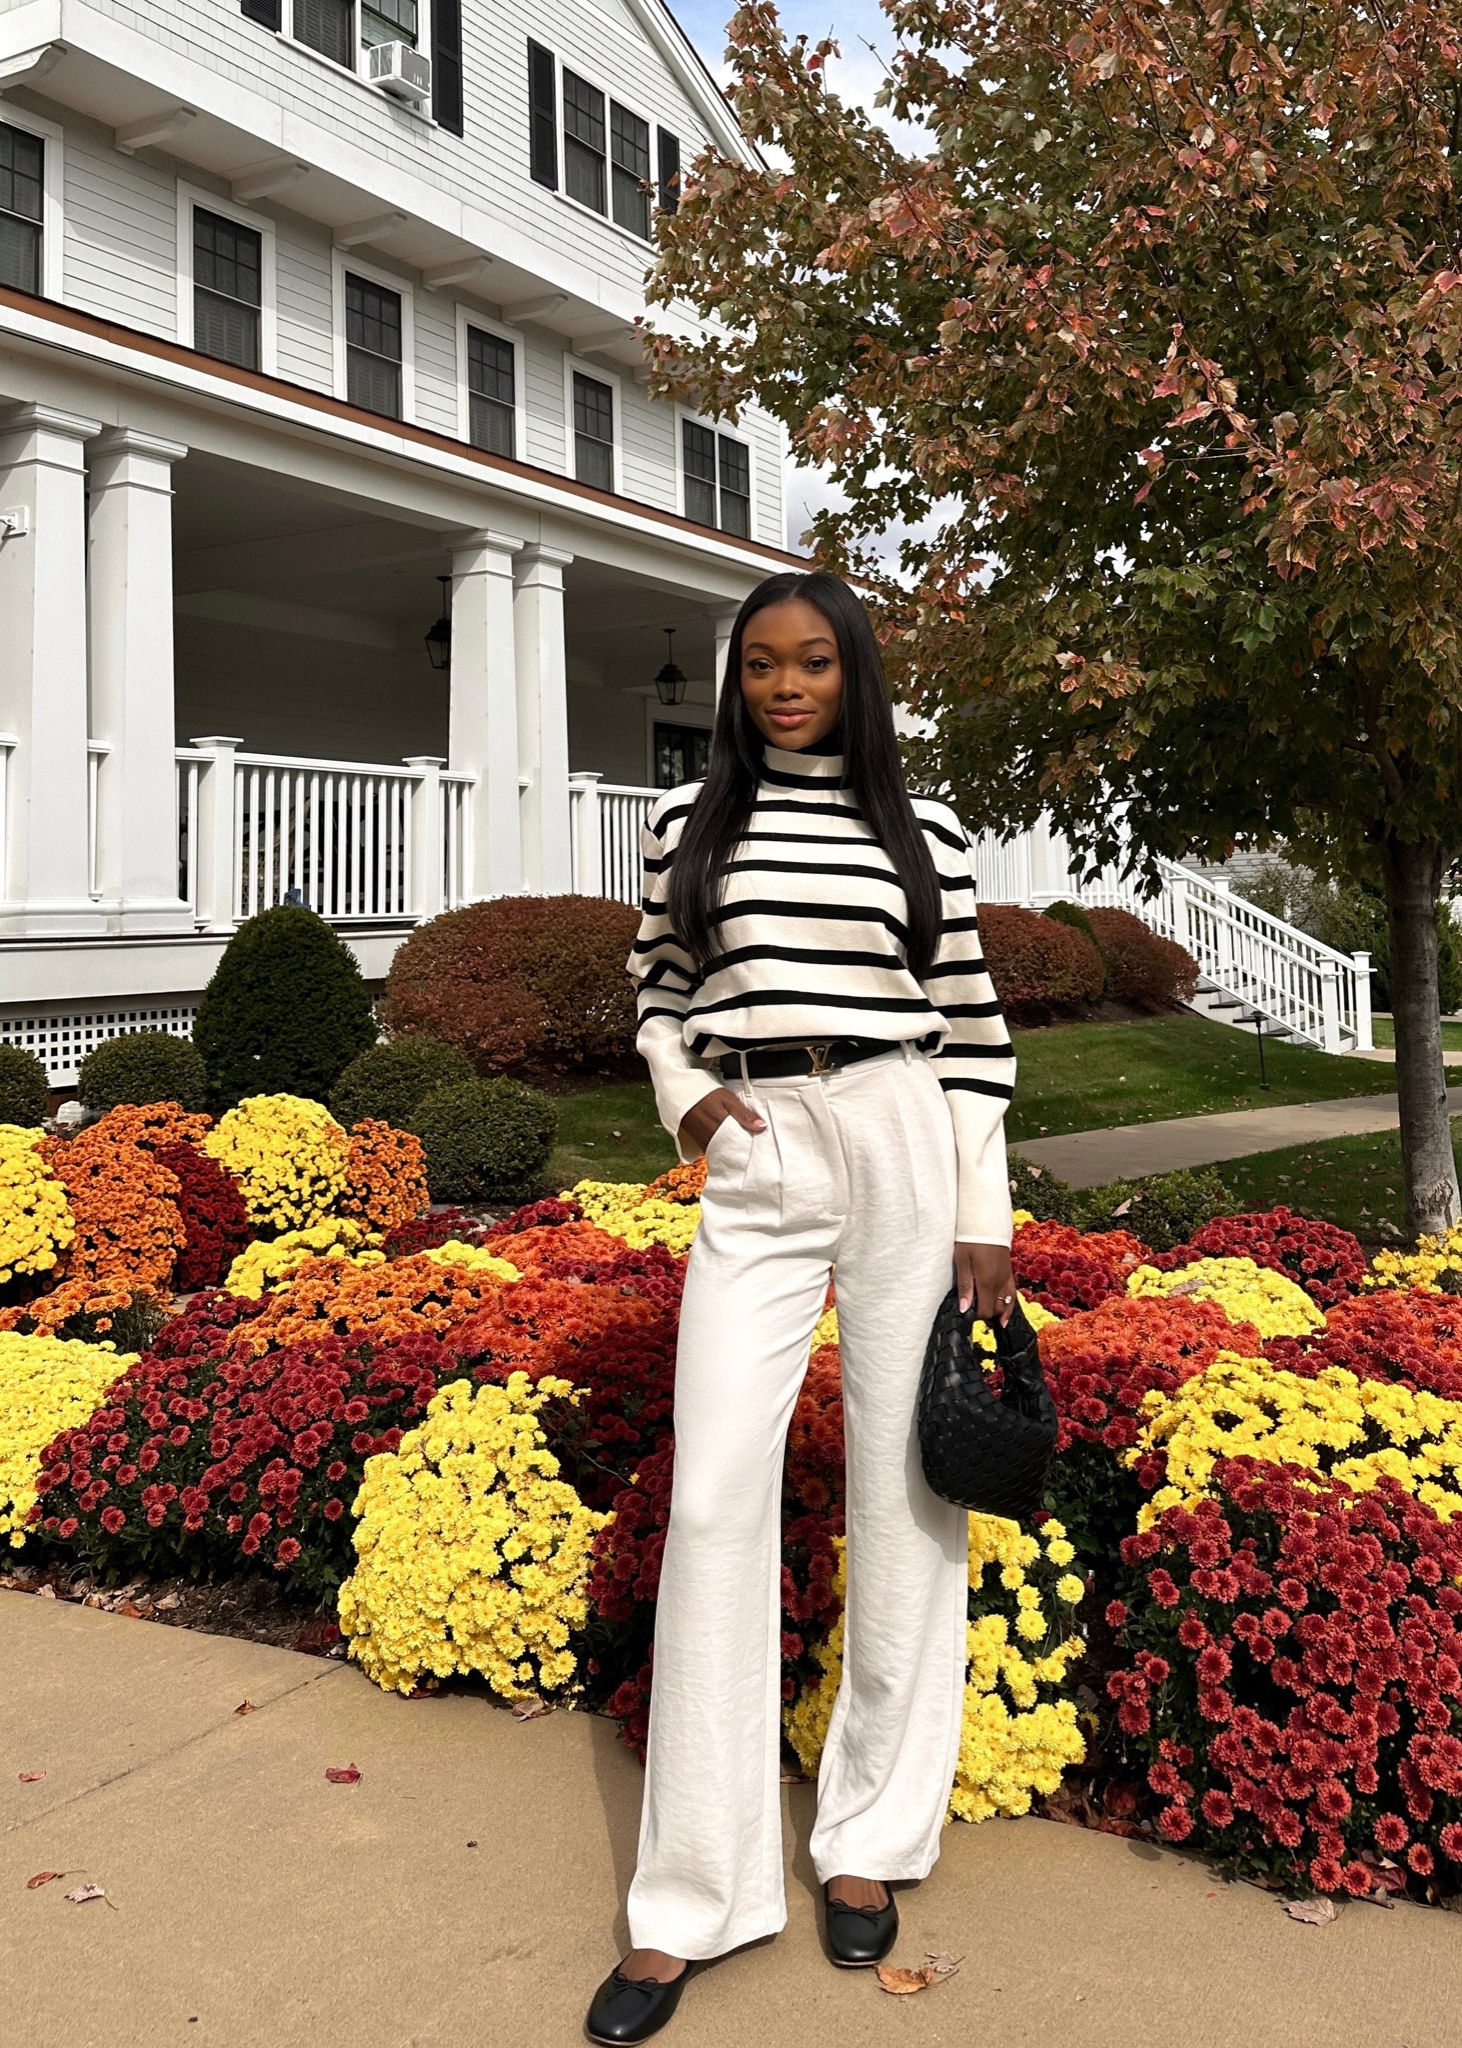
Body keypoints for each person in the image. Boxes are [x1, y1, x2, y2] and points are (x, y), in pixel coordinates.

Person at [584, 571, 1016, 2046]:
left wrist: (984, 1215)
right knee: (713, 1499)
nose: (784, 686)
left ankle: (868, 1839)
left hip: (898, 1128)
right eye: (762, 665)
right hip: (758, 1146)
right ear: (735, 681)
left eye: (813, 663)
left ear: (854, 673)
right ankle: (687, 1900)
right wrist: (688, 1096)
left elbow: (970, 1030)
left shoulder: (925, 833)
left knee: (903, 1496)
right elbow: (654, 989)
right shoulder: (688, 830)